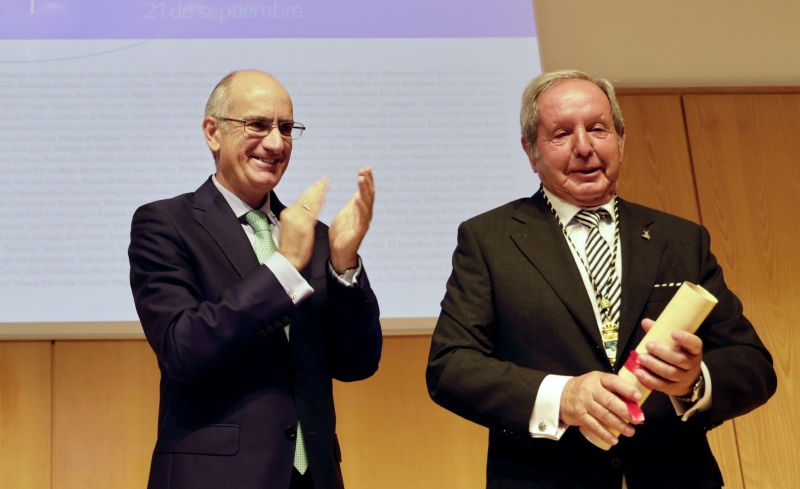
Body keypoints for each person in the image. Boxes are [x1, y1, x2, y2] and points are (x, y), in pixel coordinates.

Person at [426, 70, 776, 489]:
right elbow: (451, 367)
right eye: (560, 134)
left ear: (621, 138)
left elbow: (753, 365)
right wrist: (564, 397)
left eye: (597, 128)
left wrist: (693, 381)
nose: (584, 147)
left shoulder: (681, 239)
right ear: (531, 151)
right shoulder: (489, 240)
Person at [129, 70, 382, 489]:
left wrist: (344, 264)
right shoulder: (165, 223)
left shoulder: (314, 236)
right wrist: (283, 269)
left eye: (285, 128)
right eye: (258, 125)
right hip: (214, 477)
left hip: (313, 477)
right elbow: (181, 348)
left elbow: (358, 364)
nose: (276, 143)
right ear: (213, 133)